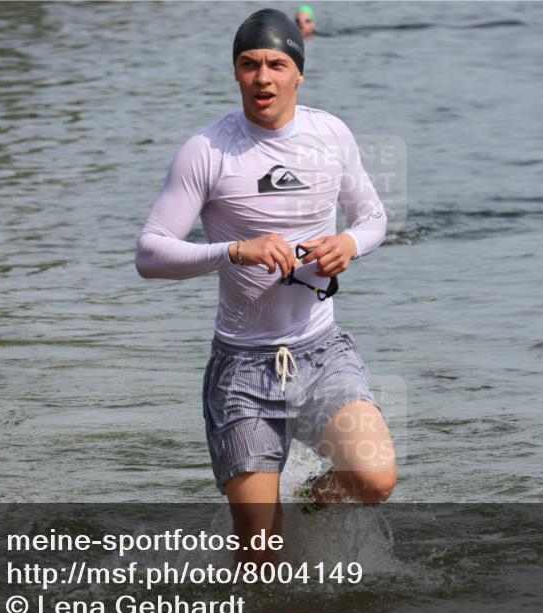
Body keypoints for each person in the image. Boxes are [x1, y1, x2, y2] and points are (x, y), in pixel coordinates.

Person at [136, 8, 396, 563]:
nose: (263, 77)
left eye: (277, 64)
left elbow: (373, 217)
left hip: (323, 350)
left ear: (298, 73)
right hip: (242, 369)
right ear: (235, 73)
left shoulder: (331, 135)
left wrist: (348, 245)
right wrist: (233, 249)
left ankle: (310, 499)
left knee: (374, 479)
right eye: (250, 64)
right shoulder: (206, 151)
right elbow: (150, 253)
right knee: (260, 554)